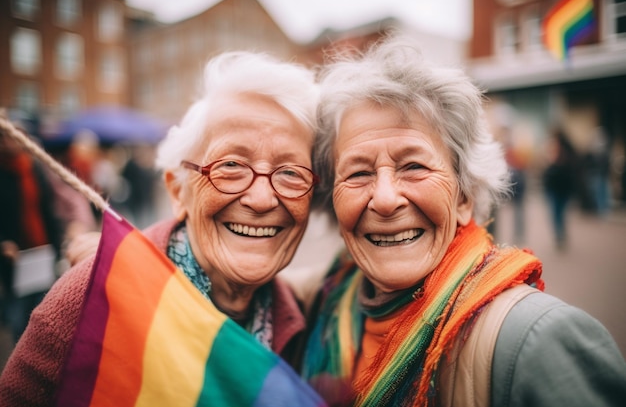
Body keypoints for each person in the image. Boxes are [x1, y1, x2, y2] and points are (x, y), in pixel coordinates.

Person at [301, 35, 626, 406]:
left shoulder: (535, 342)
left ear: (464, 196)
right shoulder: (324, 299)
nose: (386, 199)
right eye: (358, 173)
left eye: (414, 166)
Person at [0, 51, 320, 405]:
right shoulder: (88, 300)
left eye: (291, 172)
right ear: (177, 191)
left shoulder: (304, 316)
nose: (262, 199)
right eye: (230, 165)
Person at [0, 117, 64, 344]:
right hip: (14, 259)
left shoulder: (34, 168)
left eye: (12, 136)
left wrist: (58, 244)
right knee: (17, 317)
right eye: (3, 137)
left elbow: (48, 209)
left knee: (43, 310)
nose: (7, 141)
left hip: (42, 252)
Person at [542, 127, 578, 249]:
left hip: (557, 187)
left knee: (557, 213)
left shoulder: (558, 149)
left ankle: (559, 235)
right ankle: (560, 234)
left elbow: (551, 165)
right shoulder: (569, 149)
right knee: (560, 213)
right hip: (563, 188)